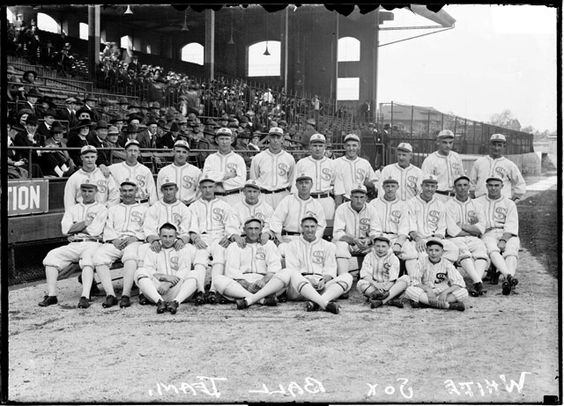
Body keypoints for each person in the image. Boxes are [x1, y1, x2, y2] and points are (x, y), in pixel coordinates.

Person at [237, 216, 351, 314]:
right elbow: (293, 271)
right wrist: (308, 280)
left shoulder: (328, 246)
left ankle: (316, 303)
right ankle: (323, 303)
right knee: (288, 272)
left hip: (320, 285)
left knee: (347, 277)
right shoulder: (292, 245)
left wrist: (323, 280)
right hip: (299, 287)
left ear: (317, 227)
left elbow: (330, 269)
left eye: (312, 226)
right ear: (301, 227)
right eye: (306, 226)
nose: (310, 230)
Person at [38, 181, 108, 308]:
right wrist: (85, 224)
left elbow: (96, 230)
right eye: (84, 191)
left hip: (93, 243)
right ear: (80, 192)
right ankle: (52, 295)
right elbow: (65, 229)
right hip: (74, 244)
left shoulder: (101, 208)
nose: (87, 194)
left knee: (87, 260)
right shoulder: (73, 208)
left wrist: (75, 227)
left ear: (96, 192)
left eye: (90, 191)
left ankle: (85, 296)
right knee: (51, 256)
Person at [92, 180, 149, 308]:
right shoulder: (113, 209)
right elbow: (108, 227)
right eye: (124, 191)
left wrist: (136, 237)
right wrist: (113, 239)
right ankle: (110, 295)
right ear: (120, 193)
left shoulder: (144, 209)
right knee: (99, 256)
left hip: (134, 241)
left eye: (130, 190)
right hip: (115, 241)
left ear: (136, 192)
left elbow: (148, 228)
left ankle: (126, 295)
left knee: (130, 257)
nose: (127, 193)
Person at [188, 177, 239, 304]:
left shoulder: (224, 205)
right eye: (204, 187)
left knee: (220, 255)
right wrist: (195, 237)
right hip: (202, 237)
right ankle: (200, 290)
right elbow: (192, 226)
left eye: (210, 187)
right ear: (200, 189)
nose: (207, 190)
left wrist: (228, 238)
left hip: (218, 237)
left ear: (214, 188)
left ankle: (213, 290)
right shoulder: (194, 206)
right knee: (200, 257)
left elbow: (231, 226)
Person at [134, 223, 205, 314]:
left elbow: (184, 271)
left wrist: (169, 283)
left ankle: (176, 302)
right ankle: (159, 302)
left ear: (176, 236)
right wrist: (164, 277)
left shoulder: (182, 249)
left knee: (194, 274)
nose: (167, 240)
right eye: (164, 236)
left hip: (178, 291)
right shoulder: (153, 249)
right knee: (140, 271)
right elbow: (149, 269)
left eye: (171, 236)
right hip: (157, 290)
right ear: (159, 236)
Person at [214, 218, 283, 304]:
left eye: (256, 228)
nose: (253, 232)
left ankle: (246, 298)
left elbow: (274, 267)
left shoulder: (268, 244)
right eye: (250, 229)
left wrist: (263, 281)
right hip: (242, 281)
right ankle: (261, 300)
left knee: (283, 279)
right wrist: (247, 285)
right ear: (244, 230)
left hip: (263, 281)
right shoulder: (235, 246)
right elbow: (232, 270)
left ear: (261, 230)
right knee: (217, 280)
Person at [474, 177, 520, 295]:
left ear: (502, 186)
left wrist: (504, 240)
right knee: (492, 250)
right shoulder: (477, 202)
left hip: (507, 233)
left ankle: (507, 281)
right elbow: (473, 221)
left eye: (496, 185)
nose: (493, 188)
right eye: (490, 185)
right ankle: (508, 277)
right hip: (488, 232)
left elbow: (512, 224)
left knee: (511, 252)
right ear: (486, 186)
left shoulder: (509, 203)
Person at [445, 175, 488, 296]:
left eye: (465, 185)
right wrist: (472, 229)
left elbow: (481, 228)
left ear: (469, 187)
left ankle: (477, 283)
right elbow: (452, 230)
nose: (462, 188)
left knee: (480, 251)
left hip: (474, 238)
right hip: (455, 238)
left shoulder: (476, 204)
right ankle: (478, 282)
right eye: (459, 185)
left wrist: (463, 226)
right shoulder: (448, 205)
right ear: (454, 188)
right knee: (464, 252)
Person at [369, 177, 419, 277]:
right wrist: (377, 239)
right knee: (380, 252)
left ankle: (414, 280)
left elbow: (404, 227)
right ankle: (378, 278)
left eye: (393, 186)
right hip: (379, 236)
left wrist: (399, 244)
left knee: (412, 253)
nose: (390, 189)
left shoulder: (403, 204)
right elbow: (372, 225)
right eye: (387, 186)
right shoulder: (374, 203)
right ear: (383, 187)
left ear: (397, 187)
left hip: (397, 237)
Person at [407, 175, 460, 264]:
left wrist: (436, 240)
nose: (429, 189)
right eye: (427, 186)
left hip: (434, 238)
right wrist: (418, 239)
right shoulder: (411, 203)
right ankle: (429, 276)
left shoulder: (440, 204)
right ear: (421, 186)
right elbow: (410, 225)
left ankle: (440, 273)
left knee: (453, 249)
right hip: (418, 239)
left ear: (436, 188)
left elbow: (441, 227)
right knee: (424, 255)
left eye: (432, 186)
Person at [270, 174, 326, 254]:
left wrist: (313, 239)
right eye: (301, 183)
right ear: (296, 185)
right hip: (289, 238)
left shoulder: (316, 205)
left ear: (311, 185)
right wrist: (280, 238)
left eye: (306, 183)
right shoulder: (288, 200)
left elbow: (321, 226)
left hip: (308, 239)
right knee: (282, 250)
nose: (304, 185)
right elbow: (276, 219)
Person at [405, 239, 468, 311]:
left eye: (437, 250)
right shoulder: (421, 262)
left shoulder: (447, 263)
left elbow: (459, 282)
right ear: (426, 251)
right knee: (410, 290)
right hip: (426, 293)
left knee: (463, 292)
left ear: (442, 252)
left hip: (442, 293)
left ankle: (424, 304)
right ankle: (447, 306)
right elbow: (414, 280)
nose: (433, 253)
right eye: (430, 250)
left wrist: (445, 292)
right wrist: (428, 290)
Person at [332, 184, 379, 276]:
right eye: (356, 197)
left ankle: (368, 277)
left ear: (366, 198)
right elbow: (337, 233)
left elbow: (376, 231)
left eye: (362, 197)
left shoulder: (371, 209)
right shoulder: (342, 208)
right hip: (348, 243)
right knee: (340, 247)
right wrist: (354, 240)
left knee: (381, 246)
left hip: (365, 243)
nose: (359, 200)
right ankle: (343, 278)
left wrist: (369, 240)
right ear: (350, 197)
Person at [357, 236, 410, 308]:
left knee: (406, 278)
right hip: (374, 286)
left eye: (383, 246)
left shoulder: (393, 258)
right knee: (361, 283)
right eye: (378, 246)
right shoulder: (369, 256)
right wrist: (375, 284)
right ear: (374, 246)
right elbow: (365, 274)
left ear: (388, 247)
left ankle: (381, 301)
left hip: (389, 287)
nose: (380, 249)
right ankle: (390, 300)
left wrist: (385, 289)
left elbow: (393, 278)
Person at [292, 133, 336, 220]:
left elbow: (336, 185)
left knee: (327, 227)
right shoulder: (302, 163)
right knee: (307, 227)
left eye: (320, 145)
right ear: (310, 147)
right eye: (315, 145)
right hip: (307, 199)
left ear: (325, 147)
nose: (318, 148)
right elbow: (294, 186)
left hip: (326, 199)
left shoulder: (332, 163)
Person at [469, 133, 526, 201]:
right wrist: (473, 196)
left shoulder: (509, 165)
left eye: (499, 145)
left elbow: (520, 184)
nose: (496, 148)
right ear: (490, 145)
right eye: (494, 145)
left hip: (501, 202)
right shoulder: (479, 162)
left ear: (504, 146)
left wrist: (512, 200)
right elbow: (471, 182)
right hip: (481, 201)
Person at [249, 126, 296, 209]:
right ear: (268, 139)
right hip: (263, 195)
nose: (275, 140)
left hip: (282, 194)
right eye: (273, 137)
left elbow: (291, 179)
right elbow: (254, 179)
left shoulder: (289, 158)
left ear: (282, 139)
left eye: (278, 137)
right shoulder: (259, 157)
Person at [63, 145, 119, 211]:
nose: (90, 160)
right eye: (87, 157)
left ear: (96, 157)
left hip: (102, 213)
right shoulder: (74, 178)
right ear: (81, 157)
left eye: (92, 157)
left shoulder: (104, 174)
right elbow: (69, 201)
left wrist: (107, 210)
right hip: (82, 214)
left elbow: (114, 195)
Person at [202, 127, 247, 206]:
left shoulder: (238, 159)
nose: (224, 142)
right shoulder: (210, 158)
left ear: (231, 140)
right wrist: (226, 175)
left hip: (234, 197)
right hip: (216, 197)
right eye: (221, 139)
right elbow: (206, 178)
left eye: (227, 139)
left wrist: (219, 182)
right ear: (217, 140)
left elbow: (241, 182)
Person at [109, 139, 157, 206]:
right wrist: (101, 166)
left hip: (142, 204)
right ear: (125, 151)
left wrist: (152, 207)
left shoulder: (145, 170)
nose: (133, 153)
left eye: (135, 151)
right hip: (122, 205)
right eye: (130, 150)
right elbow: (99, 170)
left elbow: (152, 192)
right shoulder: (115, 168)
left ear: (139, 153)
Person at [421, 130, 465, 201]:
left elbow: (462, 176)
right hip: (438, 196)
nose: (448, 145)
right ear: (438, 142)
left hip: (455, 196)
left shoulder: (456, 157)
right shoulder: (430, 159)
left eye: (450, 143)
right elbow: (424, 181)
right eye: (445, 142)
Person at [333, 133, 376, 206]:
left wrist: (370, 184)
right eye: (348, 145)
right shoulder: (336, 163)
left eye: (354, 145)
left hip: (360, 201)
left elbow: (374, 181)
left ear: (359, 146)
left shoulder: (365, 163)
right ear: (344, 146)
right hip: (343, 201)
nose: (351, 148)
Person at [156, 140, 202, 206]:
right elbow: (160, 191)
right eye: (178, 151)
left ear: (187, 154)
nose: (181, 154)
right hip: (169, 206)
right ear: (173, 152)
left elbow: (200, 191)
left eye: (184, 152)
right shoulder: (164, 171)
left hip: (189, 206)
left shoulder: (196, 171)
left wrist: (194, 205)